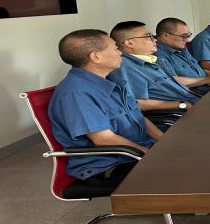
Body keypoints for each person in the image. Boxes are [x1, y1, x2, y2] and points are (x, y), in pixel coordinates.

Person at [48, 29, 162, 184]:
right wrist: (150, 155)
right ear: (96, 57)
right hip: (111, 165)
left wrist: (163, 142)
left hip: (137, 150)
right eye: (115, 48)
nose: (120, 52)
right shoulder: (76, 93)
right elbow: (104, 139)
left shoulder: (110, 81)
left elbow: (138, 117)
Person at [108, 21, 200, 112]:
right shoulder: (124, 66)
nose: (155, 40)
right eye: (149, 37)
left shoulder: (151, 60)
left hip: (193, 101)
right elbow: (136, 102)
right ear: (130, 43)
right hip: (178, 112)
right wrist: (182, 105)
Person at [154, 17, 210, 95]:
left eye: (189, 36)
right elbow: (172, 81)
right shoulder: (158, 55)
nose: (187, 40)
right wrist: (206, 80)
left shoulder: (181, 48)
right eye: (184, 36)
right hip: (195, 95)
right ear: (165, 36)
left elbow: (194, 68)